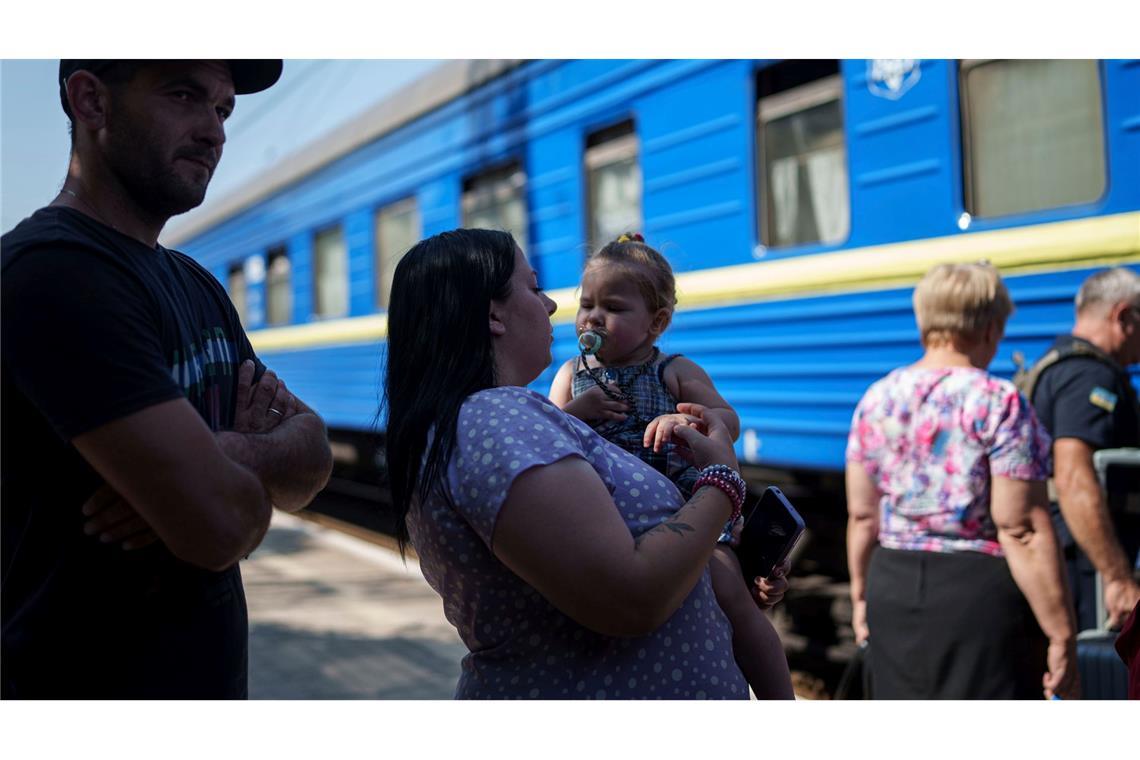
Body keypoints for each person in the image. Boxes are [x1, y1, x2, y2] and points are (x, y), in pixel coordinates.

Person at [1, 60, 333, 698]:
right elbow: (222, 525)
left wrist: (228, 453)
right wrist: (237, 474)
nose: (214, 131)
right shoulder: (52, 273)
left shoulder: (195, 283)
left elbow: (313, 456)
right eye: (183, 95)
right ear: (90, 101)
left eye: (223, 108)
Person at [385, 228, 753, 699]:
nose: (553, 306)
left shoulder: (479, 420)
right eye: (534, 287)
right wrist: (722, 483)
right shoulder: (496, 419)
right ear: (494, 314)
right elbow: (631, 596)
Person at [548, 232, 793, 699]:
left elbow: (729, 420)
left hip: (686, 513)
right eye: (586, 304)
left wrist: (686, 417)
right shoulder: (570, 376)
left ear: (656, 322)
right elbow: (546, 437)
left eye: (614, 308)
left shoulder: (675, 371)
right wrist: (578, 412)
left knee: (730, 591)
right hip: (604, 516)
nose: (593, 317)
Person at [845, 262, 1078, 699]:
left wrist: (861, 596)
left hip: (891, 582)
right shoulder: (999, 401)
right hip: (977, 595)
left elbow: (862, 515)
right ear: (990, 327)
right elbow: (1021, 527)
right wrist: (1061, 632)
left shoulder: (877, 398)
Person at [1017, 267, 1140, 632]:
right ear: (1123, 317)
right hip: (1086, 563)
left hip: (1071, 551)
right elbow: (1073, 477)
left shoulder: (1055, 363)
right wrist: (1116, 577)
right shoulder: (1090, 376)